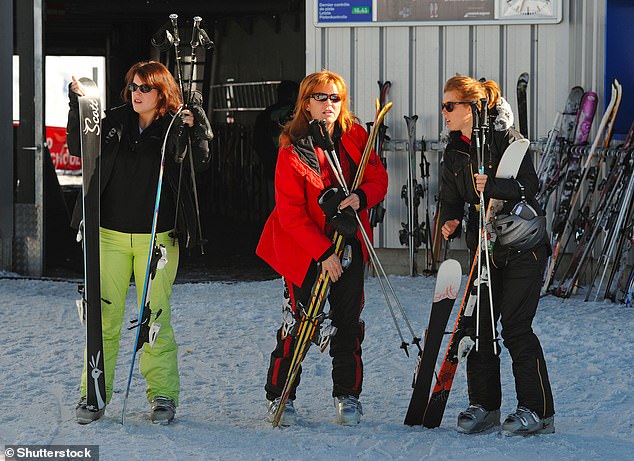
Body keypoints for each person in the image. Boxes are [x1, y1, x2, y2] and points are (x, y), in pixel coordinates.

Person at [66, 61, 212, 425]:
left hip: (158, 238)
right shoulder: (113, 120)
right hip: (110, 235)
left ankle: (163, 394)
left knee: (155, 316)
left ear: (161, 92)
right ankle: (94, 393)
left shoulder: (175, 125)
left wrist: (198, 130)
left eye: (144, 88)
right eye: (132, 86)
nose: (136, 93)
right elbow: (77, 146)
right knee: (103, 317)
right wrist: (77, 106)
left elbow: (201, 164)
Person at [256, 70, 388, 426]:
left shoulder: (356, 135)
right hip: (306, 248)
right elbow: (290, 212)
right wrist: (323, 254)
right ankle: (280, 394)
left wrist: (360, 198)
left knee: (347, 322)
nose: (328, 104)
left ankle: (347, 394)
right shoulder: (292, 146)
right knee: (300, 322)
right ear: (306, 102)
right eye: (320, 97)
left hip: (350, 241)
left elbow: (378, 178)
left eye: (335, 98)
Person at [439, 75, 555, 436]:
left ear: (472, 108)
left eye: (450, 106)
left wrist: (493, 186)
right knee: (479, 327)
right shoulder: (455, 149)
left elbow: (530, 186)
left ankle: (537, 411)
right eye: (444, 105)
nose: (444, 113)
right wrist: (451, 220)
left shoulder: (509, 141)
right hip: (484, 249)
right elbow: (450, 196)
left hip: (523, 248)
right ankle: (485, 404)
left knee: (516, 329)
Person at [253, 80, 299, 211]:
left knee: (275, 208)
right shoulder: (299, 115)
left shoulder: (265, 115)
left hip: (271, 168)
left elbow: (257, 142)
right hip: (295, 170)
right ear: (293, 94)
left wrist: (266, 160)